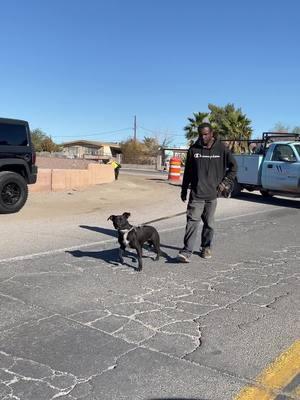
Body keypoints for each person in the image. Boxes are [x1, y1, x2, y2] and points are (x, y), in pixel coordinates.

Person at [177, 123, 237, 262]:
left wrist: (224, 183)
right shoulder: (193, 150)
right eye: (200, 134)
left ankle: (206, 247)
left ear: (211, 134)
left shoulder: (222, 149)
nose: (202, 137)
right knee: (192, 222)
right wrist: (184, 189)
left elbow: (234, 167)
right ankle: (186, 251)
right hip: (196, 194)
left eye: (205, 134)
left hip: (212, 195)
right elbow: (188, 172)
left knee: (209, 224)